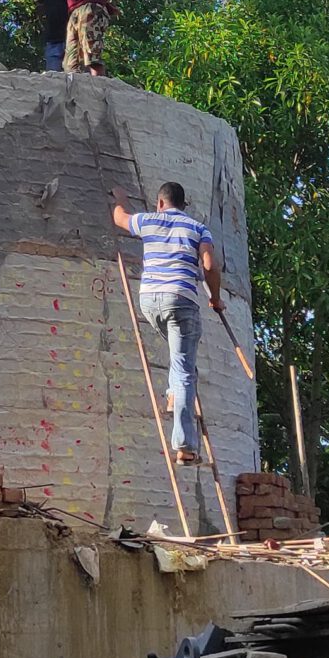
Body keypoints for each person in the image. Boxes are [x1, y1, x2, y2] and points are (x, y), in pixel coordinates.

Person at [108, 181, 225, 466]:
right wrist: (216, 299)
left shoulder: (149, 220)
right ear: (183, 205)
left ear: (160, 203)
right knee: (186, 369)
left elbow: (120, 218)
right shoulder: (198, 228)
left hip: (149, 301)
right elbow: (209, 265)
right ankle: (184, 445)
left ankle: (173, 395)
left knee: (179, 358)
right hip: (182, 300)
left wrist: (121, 197)